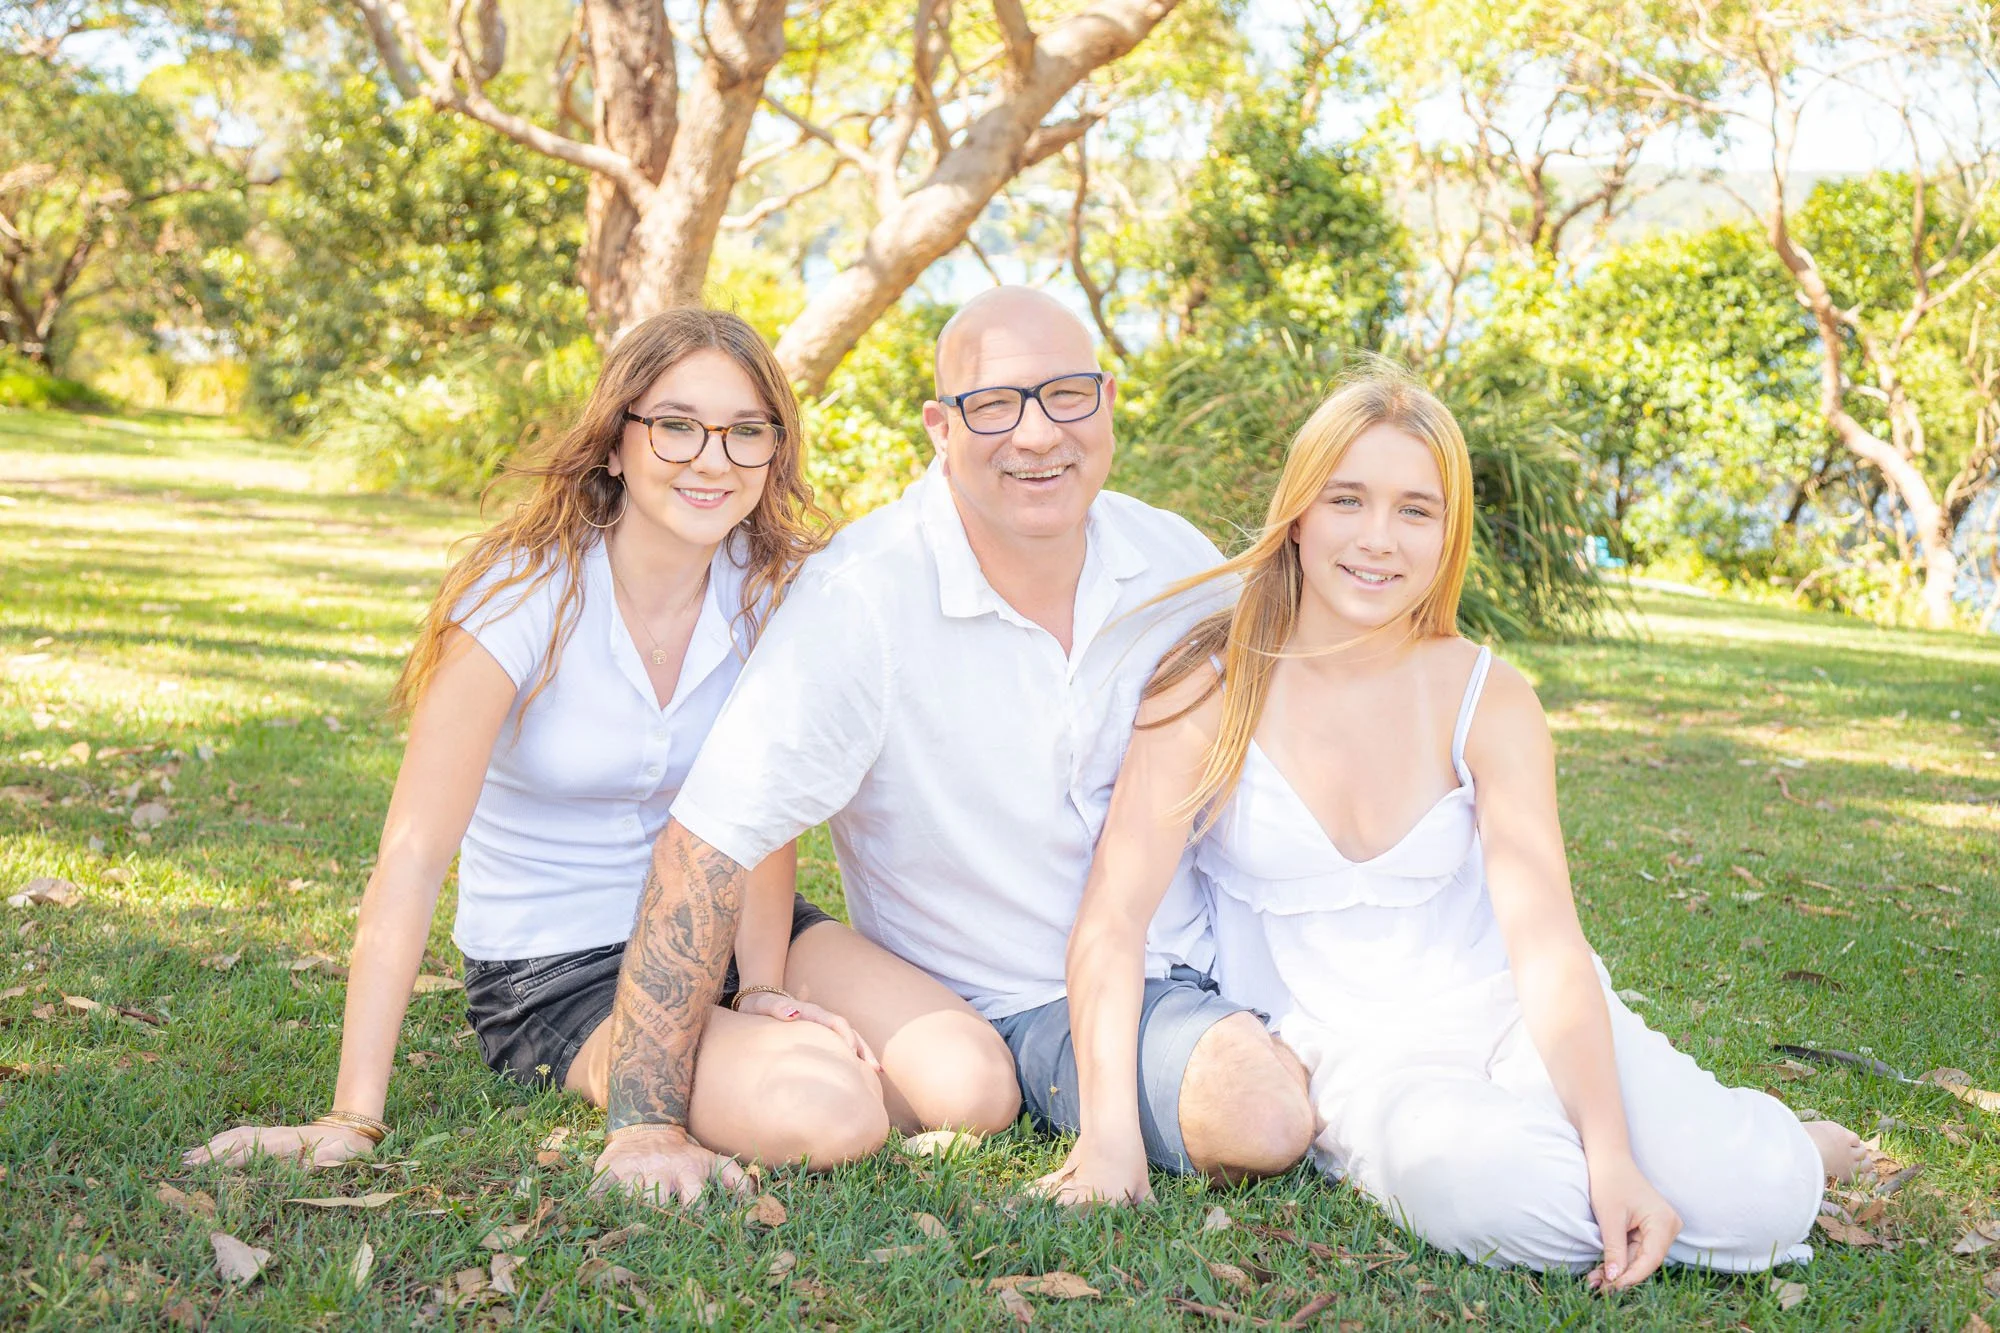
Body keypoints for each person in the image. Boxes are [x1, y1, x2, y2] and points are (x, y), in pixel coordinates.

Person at [1050, 368, 1866, 1283]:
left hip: (1519, 1019)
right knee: (1504, 1194)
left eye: (1415, 510)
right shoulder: (1208, 689)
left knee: (1759, 1196)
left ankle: (1772, 1145)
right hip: (1365, 1063)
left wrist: (1612, 1150)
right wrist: (1108, 1135)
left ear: (1448, 532)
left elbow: (1547, 941)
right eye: (1347, 498)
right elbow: (1112, 923)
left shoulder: (1490, 693)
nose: (1376, 539)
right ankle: (1652, 1163)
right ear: (1299, 512)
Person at [590, 286, 1317, 1205]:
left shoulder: (1172, 559)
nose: (1038, 434)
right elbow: (711, 839)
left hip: (1223, 949)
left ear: (1108, 401)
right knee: (1259, 1113)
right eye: (994, 404)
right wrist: (646, 1122)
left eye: (1066, 396)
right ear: (941, 427)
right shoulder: (865, 596)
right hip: (1025, 995)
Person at [185, 309, 891, 1173]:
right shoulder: (521, 595)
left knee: (971, 1083)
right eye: (677, 427)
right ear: (614, 443)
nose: (713, 459)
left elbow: (761, 815)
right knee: (831, 1115)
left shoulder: (768, 591)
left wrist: (768, 986)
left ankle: (740, 1038)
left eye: (747, 432)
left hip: (729, 928)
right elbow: (411, 859)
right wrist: (349, 1117)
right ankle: (733, 1059)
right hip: (563, 966)